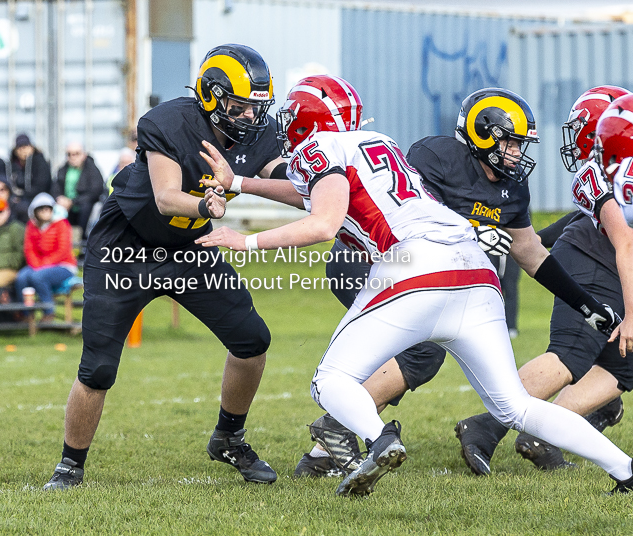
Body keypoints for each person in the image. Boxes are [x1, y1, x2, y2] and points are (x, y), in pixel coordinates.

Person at [196, 74, 633, 497]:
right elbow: (316, 191)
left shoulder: (319, 146)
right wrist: (239, 183)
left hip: (417, 263)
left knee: (330, 379)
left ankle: (378, 438)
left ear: (304, 122)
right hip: (478, 271)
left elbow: (325, 221)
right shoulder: (380, 142)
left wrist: (245, 241)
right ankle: (625, 469)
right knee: (515, 407)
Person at [42, 44, 295, 490]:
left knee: (252, 341)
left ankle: (229, 437)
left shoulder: (262, 133)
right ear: (212, 97)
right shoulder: (170, 122)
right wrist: (208, 202)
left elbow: (291, 187)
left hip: (189, 248)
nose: (251, 117)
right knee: (98, 368)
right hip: (126, 247)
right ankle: (70, 463)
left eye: (258, 107)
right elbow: (165, 196)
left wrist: (320, 179)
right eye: (240, 106)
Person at [454, 86, 633, 475]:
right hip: (593, 263)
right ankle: (484, 427)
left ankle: (546, 432)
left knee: (625, 364)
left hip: (609, 262)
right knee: (571, 353)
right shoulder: (598, 176)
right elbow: (620, 239)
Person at [14, 193, 76, 322]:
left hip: (63, 265)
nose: (45, 212)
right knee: (21, 278)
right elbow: (29, 249)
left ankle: (48, 312)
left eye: (48, 208)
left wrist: (44, 264)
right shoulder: (31, 226)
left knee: (39, 277)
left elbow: (63, 250)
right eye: (41, 209)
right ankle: (26, 314)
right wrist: (37, 264)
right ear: (35, 211)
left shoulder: (61, 224)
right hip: (38, 265)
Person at [53, 142, 105, 238]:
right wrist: (59, 198)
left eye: (76, 153)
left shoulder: (92, 169)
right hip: (66, 207)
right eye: (69, 154)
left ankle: (83, 241)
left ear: (83, 154)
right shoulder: (62, 169)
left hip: (84, 206)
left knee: (86, 209)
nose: (73, 157)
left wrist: (72, 201)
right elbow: (56, 187)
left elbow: (95, 191)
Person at [8, 134, 52, 223]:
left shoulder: (40, 162)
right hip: (19, 197)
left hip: (37, 197)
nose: (23, 150)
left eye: (25, 147)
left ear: (32, 147)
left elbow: (41, 186)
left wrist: (22, 195)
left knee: (24, 208)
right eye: (20, 147)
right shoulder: (12, 165)